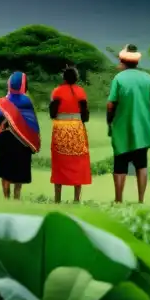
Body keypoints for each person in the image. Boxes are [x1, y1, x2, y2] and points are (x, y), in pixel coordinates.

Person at [107, 44, 150, 204]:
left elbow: (111, 104)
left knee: (120, 164)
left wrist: (110, 120)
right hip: (142, 129)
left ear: (123, 61)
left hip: (121, 129)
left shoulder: (118, 78)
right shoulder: (147, 78)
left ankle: (118, 200)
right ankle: (141, 200)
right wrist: (149, 115)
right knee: (141, 164)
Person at [0, 71, 41, 200]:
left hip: (5, 140)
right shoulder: (26, 101)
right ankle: (17, 197)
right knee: (20, 167)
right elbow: (32, 122)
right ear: (24, 85)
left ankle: (6, 197)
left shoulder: (3, 102)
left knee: (5, 168)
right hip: (22, 142)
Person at [49, 66, 91, 203]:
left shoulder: (57, 91)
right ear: (76, 78)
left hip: (60, 129)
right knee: (78, 162)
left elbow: (52, 113)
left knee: (59, 162)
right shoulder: (81, 92)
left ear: (64, 78)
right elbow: (85, 116)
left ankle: (57, 199)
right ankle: (76, 199)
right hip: (77, 129)